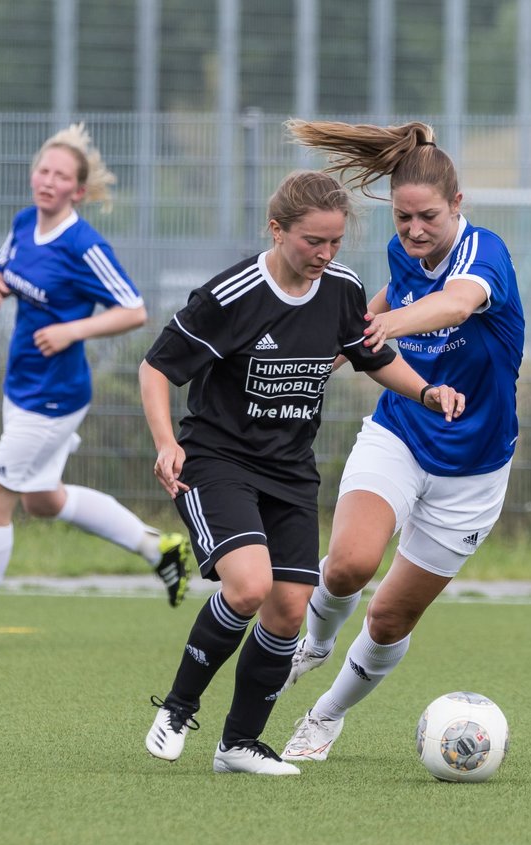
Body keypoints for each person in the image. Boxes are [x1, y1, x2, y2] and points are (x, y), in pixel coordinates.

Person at [140, 168, 464, 776]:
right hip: (218, 462)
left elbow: (372, 356)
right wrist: (165, 442)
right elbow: (156, 368)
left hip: (290, 471)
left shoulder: (341, 289)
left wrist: (426, 393)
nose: (325, 254)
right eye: (313, 240)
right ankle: (179, 707)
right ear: (277, 229)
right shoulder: (232, 296)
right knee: (247, 587)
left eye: (336, 242)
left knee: (290, 610)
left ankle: (239, 745)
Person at [276, 120, 524, 763]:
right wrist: (345, 341)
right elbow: (397, 293)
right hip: (402, 433)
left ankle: (325, 716)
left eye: (429, 218)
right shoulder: (403, 253)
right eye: (403, 218)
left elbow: (456, 304)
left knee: (388, 619)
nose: (415, 231)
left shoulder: (484, 252)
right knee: (348, 565)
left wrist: (385, 324)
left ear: (459, 206)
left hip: (473, 470)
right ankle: (313, 642)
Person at [0, 123, 191, 648]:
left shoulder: (83, 244)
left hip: (54, 397)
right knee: (41, 500)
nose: (48, 180)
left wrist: (71, 330)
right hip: (20, 388)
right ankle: (161, 551)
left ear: (78, 191)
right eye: (43, 170)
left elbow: (134, 310)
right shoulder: (22, 224)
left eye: (61, 176)